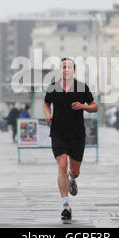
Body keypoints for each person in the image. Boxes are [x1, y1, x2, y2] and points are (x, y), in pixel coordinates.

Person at [43, 57, 98, 224]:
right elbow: (46, 103)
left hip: (76, 135)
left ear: (74, 70)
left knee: (74, 171)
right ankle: (65, 205)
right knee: (62, 165)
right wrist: (48, 115)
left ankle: (72, 179)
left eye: (69, 67)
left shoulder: (82, 88)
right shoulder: (53, 87)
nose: (66, 70)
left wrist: (84, 107)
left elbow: (94, 106)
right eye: (63, 67)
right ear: (60, 70)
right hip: (58, 132)